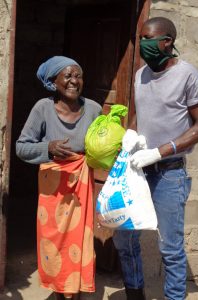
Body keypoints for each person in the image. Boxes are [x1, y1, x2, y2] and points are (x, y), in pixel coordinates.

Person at [113, 17, 198, 300]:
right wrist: (130, 137)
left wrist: (159, 151)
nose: (143, 44)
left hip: (169, 173)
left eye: (148, 39)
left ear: (167, 41)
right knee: (124, 237)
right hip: (137, 172)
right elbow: (140, 114)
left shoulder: (188, 75)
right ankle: (135, 292)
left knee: (170, 247)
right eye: (140, 38)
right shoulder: (141, 74)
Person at [16, 56, 102, 300]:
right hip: (53, 191)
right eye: (68, 76)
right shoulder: (42, 108)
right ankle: (59, 291)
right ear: (54, 82)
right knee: (55, 246)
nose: (75, 81)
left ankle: (75, 292)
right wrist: (49, 148)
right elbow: (21, 147)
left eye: (79, 75)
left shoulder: (94, 109)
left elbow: (104, 146)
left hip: (82, 188)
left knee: (80, 243)